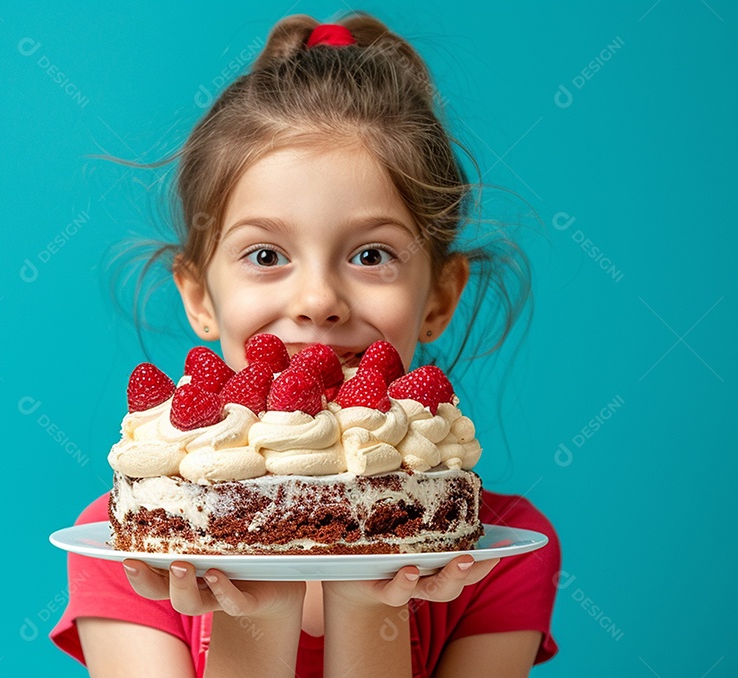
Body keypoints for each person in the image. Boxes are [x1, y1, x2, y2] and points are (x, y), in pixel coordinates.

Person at [51, 11, 561, 677]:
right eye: (266, 254)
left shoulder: (495, 557)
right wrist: (256, 616)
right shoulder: (136, 544)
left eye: (372, 254)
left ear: (438, 297)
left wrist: (368, 601)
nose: (319, 301)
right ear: (200, 297)